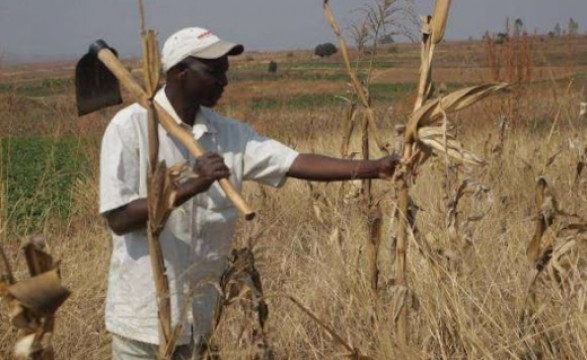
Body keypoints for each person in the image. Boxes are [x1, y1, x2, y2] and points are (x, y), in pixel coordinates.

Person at [99, 27, 398, 359]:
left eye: (225, 70)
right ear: (179, 71)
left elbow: (294, 161)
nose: (224, 80)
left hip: (198, 319)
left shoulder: (229, 134)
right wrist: (192, 187)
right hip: (143, 321)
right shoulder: (131, 128)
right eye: (213, 71)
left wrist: (375, 168)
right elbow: (120, 218)